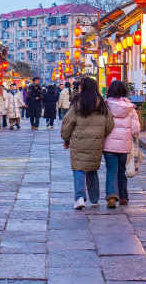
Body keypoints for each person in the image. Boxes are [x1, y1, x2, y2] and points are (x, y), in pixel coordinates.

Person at [60, 77, 114, 210]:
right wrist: (100, 135)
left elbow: (68, 122)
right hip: (96, 142)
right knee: (92, 169)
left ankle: (79, 198)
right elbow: (110, 124)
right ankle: (94, 199)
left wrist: (66, 139)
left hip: (79, 141)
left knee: (79, 169)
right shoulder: (101, 103)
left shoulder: (77, 102)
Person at [104, 80, 141, 208]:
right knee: (121, 170)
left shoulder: (105, 106)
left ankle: (112, 198)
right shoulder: (130, 108)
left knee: (111, 171)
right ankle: (124, 197)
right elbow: (136, 129)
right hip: (124, 145)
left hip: (108, 145)